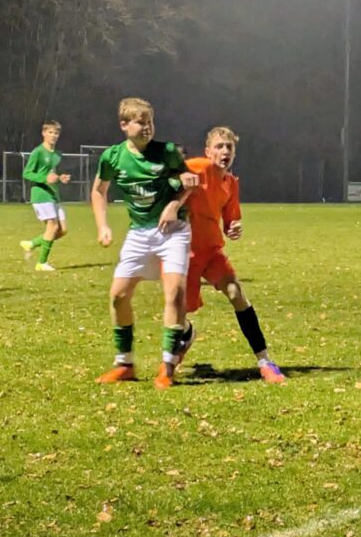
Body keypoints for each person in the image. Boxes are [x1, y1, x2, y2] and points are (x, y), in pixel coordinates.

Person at [91, 97, 198, 389]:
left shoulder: (167, 152)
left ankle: (167, 366)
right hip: (139, 233)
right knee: (118, 296)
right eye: (141, 123)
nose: (147, 128)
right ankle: (124, 364)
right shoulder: (112, 157)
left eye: (150, 122)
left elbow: (188, 182)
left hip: (173, 230)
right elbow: (99, 191)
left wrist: (174, 204)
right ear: (124, 125)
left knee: (174, 292)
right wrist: (102, 226)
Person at [179, 126, 284, 383]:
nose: (225, 151)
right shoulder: (197, 168)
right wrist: (178, 178)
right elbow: (170, 173)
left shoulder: (231, 184)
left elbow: (230, 223)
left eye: (229, 147)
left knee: (236, 293)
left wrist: (233, 229)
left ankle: (265, 361)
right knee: (179, 313)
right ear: (208, 152)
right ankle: (187, 334)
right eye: (219, 146)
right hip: (184, 254)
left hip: (212, 252)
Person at [19, 119, 72, 271]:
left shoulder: (57, 155)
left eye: (56, 133)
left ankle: (32, 244)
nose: (53, 135)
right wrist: (44, 179)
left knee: (62, 230)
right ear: (43, 133)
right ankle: (41, 263)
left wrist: (60, 178)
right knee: (53, 226)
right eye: (50, 132)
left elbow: (51, 174)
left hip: (53, 194)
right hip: (41, 195)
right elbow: (27, 173)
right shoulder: (38, 152)